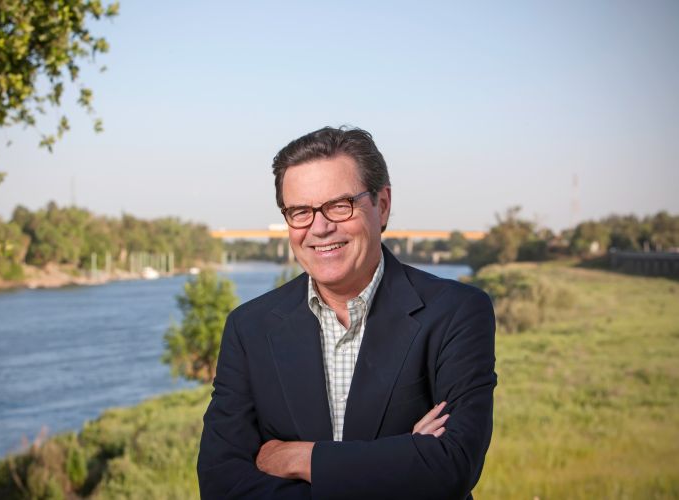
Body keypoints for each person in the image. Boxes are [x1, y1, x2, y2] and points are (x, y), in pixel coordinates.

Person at [197, 126, 496, 499]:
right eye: (300, 211)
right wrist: (403, 456)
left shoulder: (456, 312)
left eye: (340, 205)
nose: (320, 228)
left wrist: (303, 458)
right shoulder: (249, 328)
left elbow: (452, 465)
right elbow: (221, 484)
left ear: (382, 205)